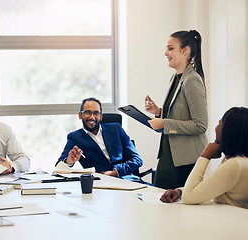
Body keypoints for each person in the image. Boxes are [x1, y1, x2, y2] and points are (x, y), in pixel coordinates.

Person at [145, 30, 208, 189]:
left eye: (170, 48)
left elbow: (200, 124)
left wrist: (165, 123)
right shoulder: (175, 78)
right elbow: (179, 115)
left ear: (185, 50)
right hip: (168, 155)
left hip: (185, 159)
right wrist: (158, 111)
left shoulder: (192, 80)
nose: (166, 53)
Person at [160, 107, 248, 209]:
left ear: (228, 130)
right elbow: (209, 187)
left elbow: (189, 197)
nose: (216, 128)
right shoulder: (239, 162)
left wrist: (205, 155)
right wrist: (179, 191)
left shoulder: (235, 165)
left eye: (219, 123)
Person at [57, 97, 143, 182]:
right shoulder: (75, 137)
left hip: (128, 180)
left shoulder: (116, 129)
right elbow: (58, 167)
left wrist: (115, 172)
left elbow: (137, 160)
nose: (92, 117)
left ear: (101, 116)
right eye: (87, 113)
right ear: (80, 115)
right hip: (99, 184)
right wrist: (69, 161)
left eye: (96, 113)